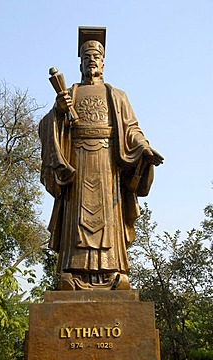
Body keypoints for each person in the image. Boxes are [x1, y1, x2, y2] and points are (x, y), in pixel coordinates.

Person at [39, 29, 163, 290]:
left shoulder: (116, 95)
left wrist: (144, 148)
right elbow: (46, 125)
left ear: (103, 63)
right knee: (77, 217)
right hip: (78, 162)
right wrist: (59, 112)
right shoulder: (69, 92)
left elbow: (132, 130)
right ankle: (72, 273)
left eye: (97, 56)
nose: (92, 60)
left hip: (108, 164)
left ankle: (113, 272)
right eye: (87, 57)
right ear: (81, 63)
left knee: (108, 217)